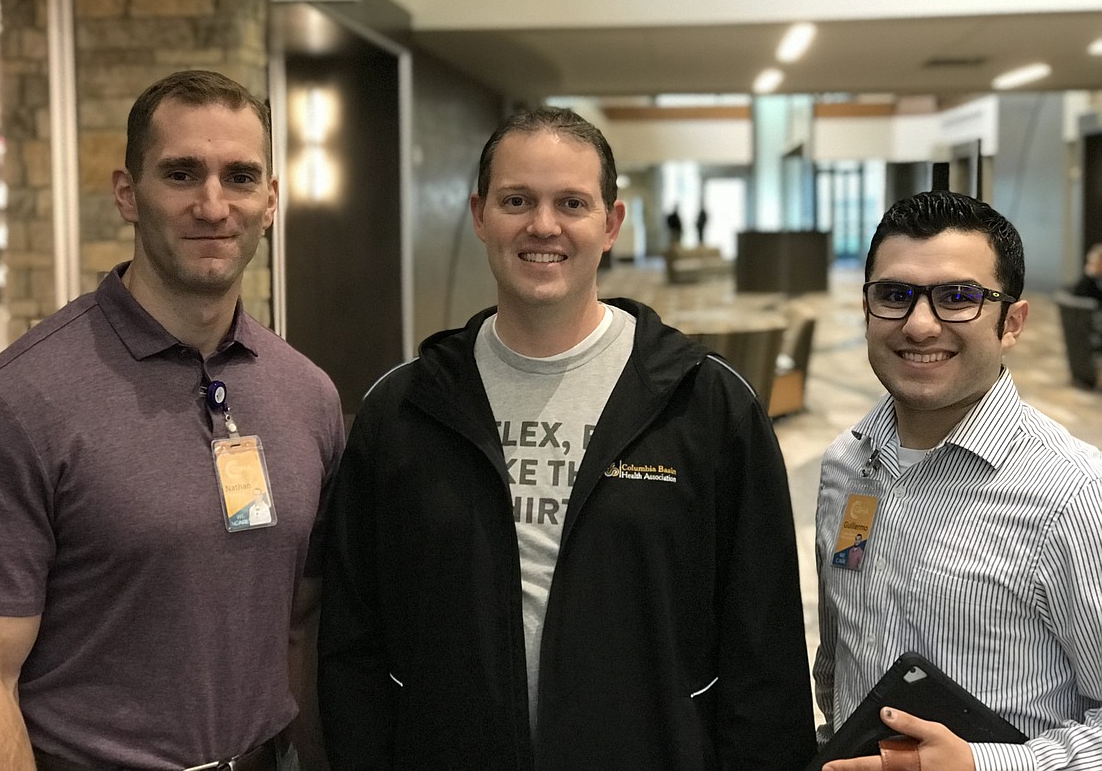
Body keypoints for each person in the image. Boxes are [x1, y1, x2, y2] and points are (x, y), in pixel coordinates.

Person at [316, 106, 815, 770]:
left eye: (571, 203)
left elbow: (764, 652)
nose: (542, 225)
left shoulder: (706, 405)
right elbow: (354, 641)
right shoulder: (403, 409)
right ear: (479, 214)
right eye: (517, 199)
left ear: (611, 223)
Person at [0, 70, 345, 770]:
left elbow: (301, 627)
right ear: (129, 192)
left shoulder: (308, 395)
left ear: (270, 200)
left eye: (240, 177)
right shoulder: (10, 406)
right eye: (181, 173)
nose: (213, 204)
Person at [814, 190, 1102, 771]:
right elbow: (839, 659)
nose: (920, 326)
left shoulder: (1071, 494)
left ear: (1011, 323)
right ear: (867, 309)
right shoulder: (846, 466)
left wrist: (981, 765)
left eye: (959, 298)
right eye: (895, 295)